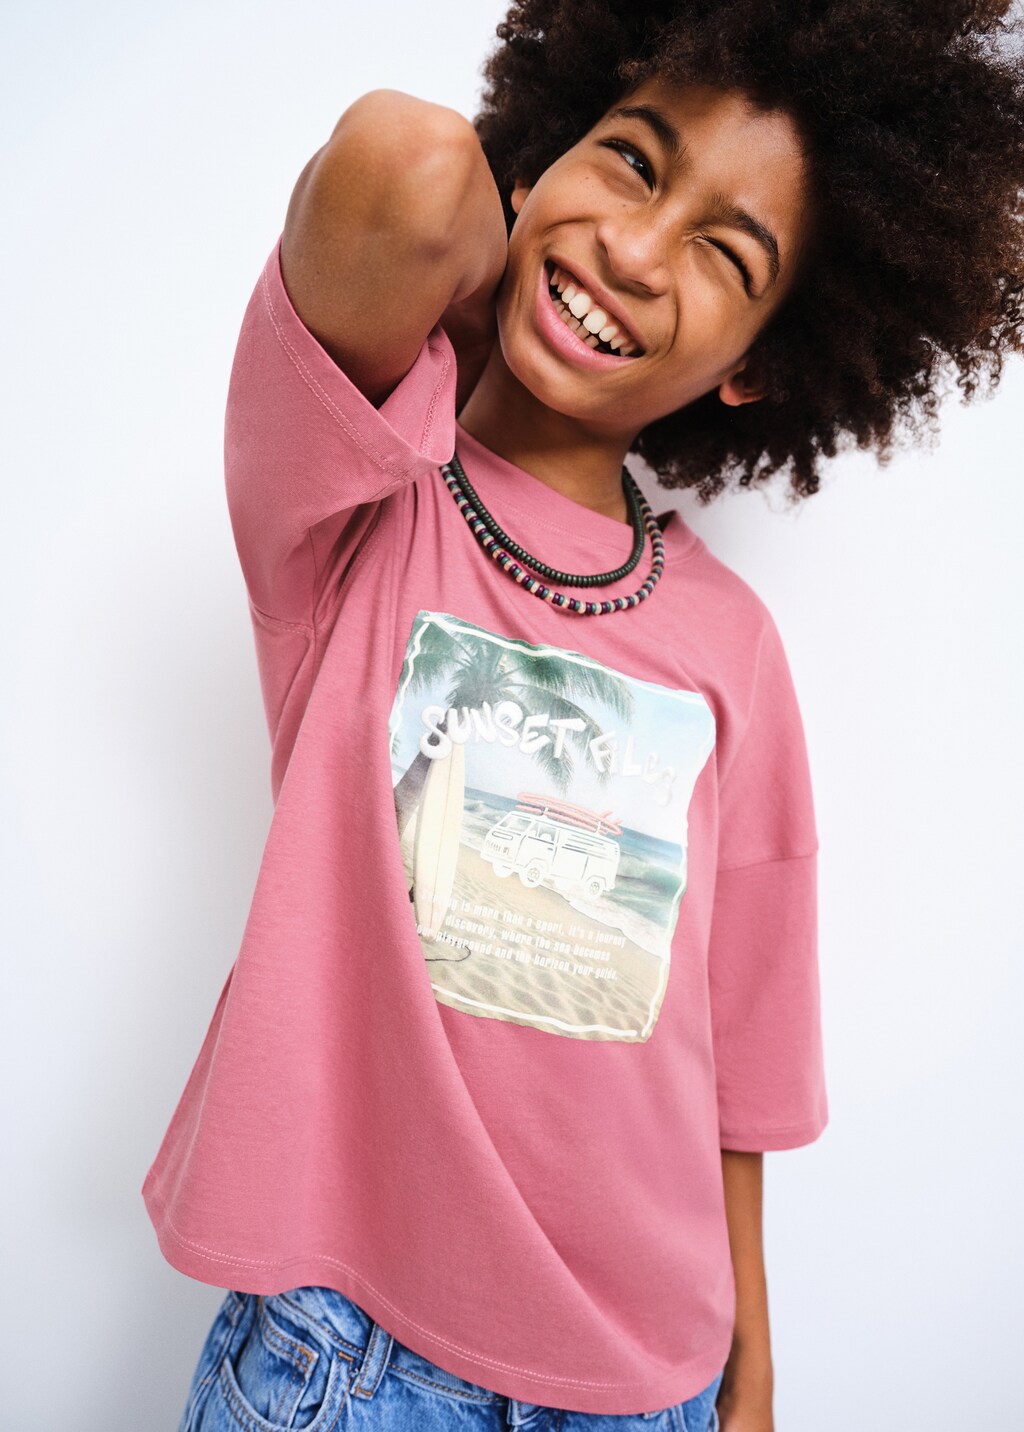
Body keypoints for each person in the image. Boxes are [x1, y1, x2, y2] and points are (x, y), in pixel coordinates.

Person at [145, 3, 1024, 1429]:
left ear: (755, 367)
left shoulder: (732, 645)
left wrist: (750, 1358)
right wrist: (513, 262)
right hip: (350, 1362)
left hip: (647, 1378)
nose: (637, 250)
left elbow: (739, 1040)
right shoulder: (355, 499)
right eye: (630, 162)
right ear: (540, 156)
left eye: (725, 255)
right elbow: (404, 165)